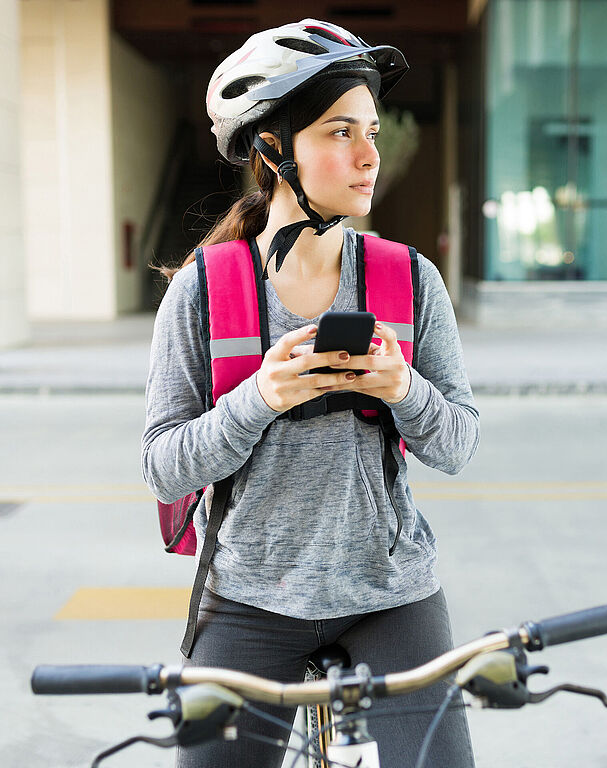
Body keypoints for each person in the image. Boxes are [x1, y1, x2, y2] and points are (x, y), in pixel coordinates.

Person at [142, 18, 479, 768]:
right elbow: (164, 468)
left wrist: (405, 390)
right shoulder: (202, 292)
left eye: (372, 130)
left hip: (392, 594)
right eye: (338, 132)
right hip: (250, 600)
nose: (369, 155)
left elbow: (459, 443)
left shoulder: (410, 278)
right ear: (271, 149)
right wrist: (258, 398)